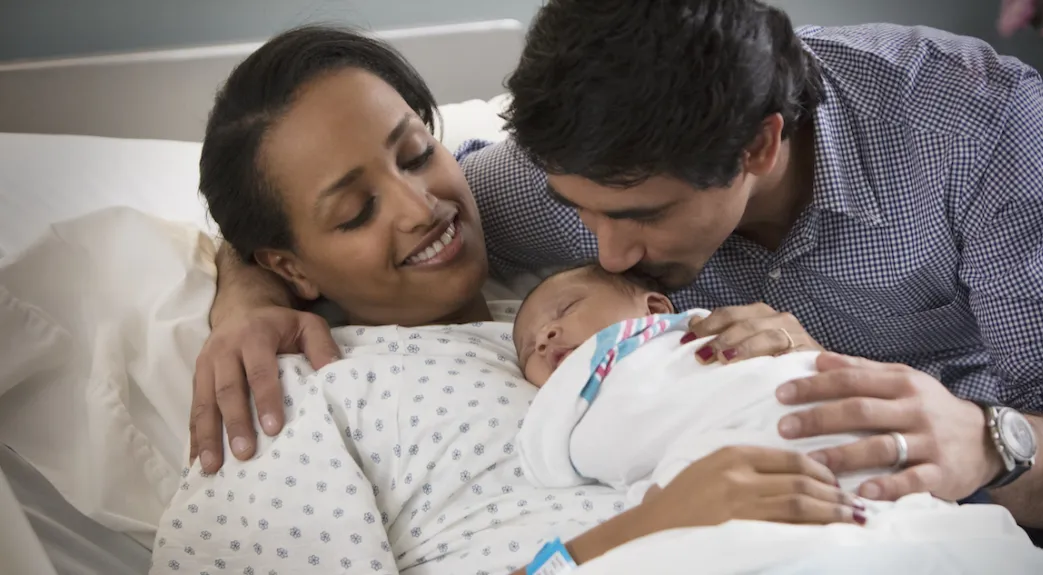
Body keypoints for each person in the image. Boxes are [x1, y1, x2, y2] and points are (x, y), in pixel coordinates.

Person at [194, 0, 1043, 539]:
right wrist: (246, 293)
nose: (608, 253)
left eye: (639, 217)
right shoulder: (565, 178)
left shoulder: (974, 126)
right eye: (577, 211)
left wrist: (988, 441)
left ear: (758, 144)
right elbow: (361, 219)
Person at [164, 24, 867, 574]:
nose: (422, 207)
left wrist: (786, 368)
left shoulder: (579, 273)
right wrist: (653, 526)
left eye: (415, 155)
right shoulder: (284, 399)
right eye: (355, 211)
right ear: (288, 263)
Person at [512, 263, 880, 501]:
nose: (544, 337)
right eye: (529, 349)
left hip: (785, 402)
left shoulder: (699, 331)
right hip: (722, 461)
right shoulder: (577, 401)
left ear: (654, 309)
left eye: (565, 309)